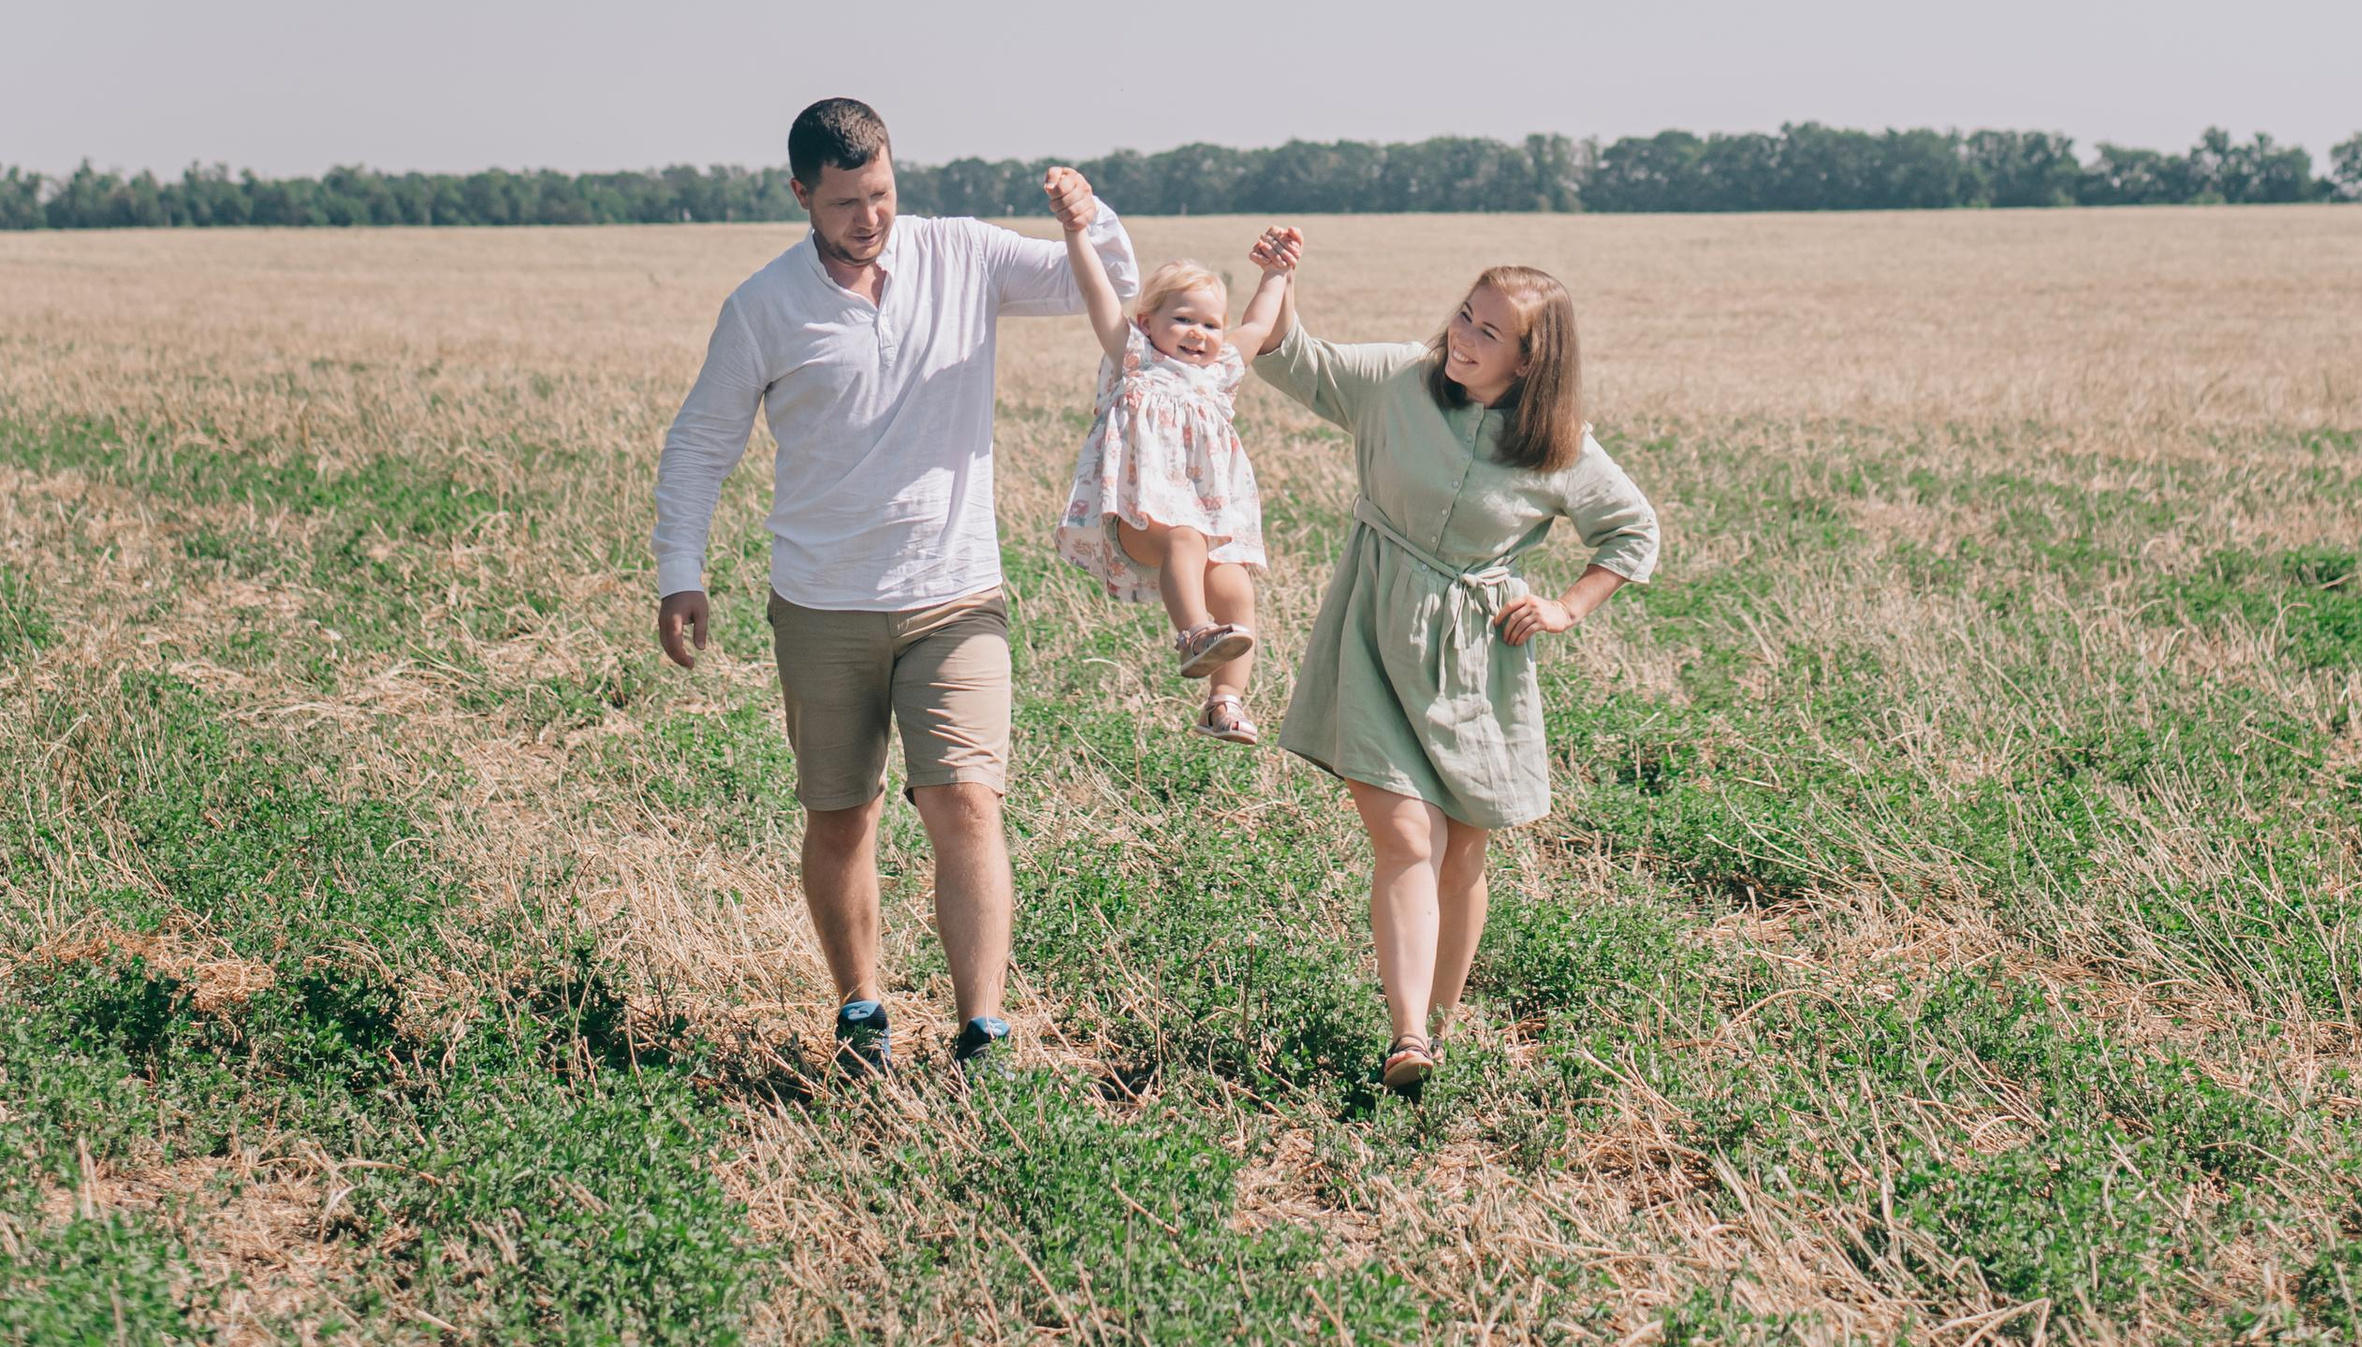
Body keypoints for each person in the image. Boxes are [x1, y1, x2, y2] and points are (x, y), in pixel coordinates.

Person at [652, 97, 1139, 1080]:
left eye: (879, 194)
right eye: (843, 203)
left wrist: (1089, 217)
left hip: (956, 593)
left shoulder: (961, 254)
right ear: (800, 196)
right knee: (842, 815)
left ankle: (982, 1033)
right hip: (822, 600)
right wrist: (680, 573)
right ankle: (861, 1012)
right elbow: (703, 443)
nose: (868, 218)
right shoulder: (764, 306)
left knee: (966, 802)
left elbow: (1109, 289)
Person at [1252, 244, 1660, 1093]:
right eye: (1464, 315)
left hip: (1477, 657)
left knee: (1464, 849)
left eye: (1489, 332)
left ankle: (1438, 1028)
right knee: (1405, 833)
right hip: (1371, 625)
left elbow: (1633, 532)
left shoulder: (1561, 448)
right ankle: (1406, 1035)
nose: (1463, 337)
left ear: (1530, 360)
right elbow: (1295, 358)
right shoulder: (1401, 376)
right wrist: (1278, 281)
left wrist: (1565, 606)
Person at [1056, 222, 1301, 740]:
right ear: (1147, 321)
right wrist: (1076, 232)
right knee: (1185, 536)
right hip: (1139, 519)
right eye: (1183, 319)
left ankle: (1224, 703)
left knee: (1235, 586)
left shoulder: (1220, 374)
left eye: (1211, 325)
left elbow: (1257, 325)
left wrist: (1276, 273)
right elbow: (1097, 291)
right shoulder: (1134, 357)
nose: (1199, 333)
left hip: (1206, 526)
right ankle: (1193, 634)